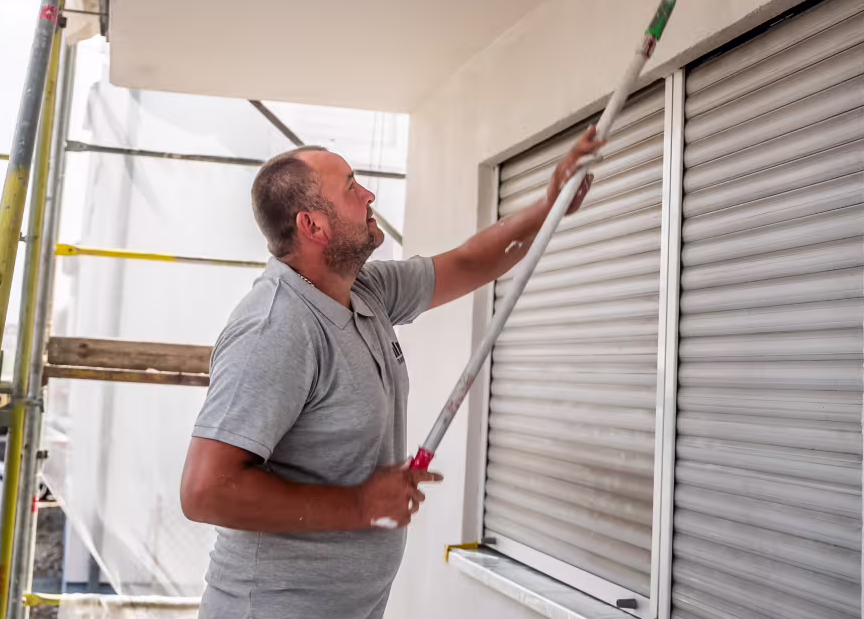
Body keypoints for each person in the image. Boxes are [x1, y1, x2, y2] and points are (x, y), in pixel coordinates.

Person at [180, 126, 603, 619]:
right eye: (351, 187)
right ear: (313, 225)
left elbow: (469, 262)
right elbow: (204, 490)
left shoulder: (365, 290)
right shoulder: (277, 327)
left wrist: (548, 205)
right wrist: (359, 504)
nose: (369, 194)